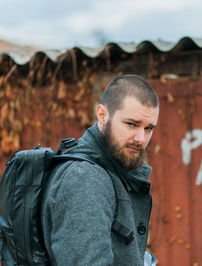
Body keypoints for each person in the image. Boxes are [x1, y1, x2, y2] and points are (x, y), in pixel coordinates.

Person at [41, 74, 160, 265]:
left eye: (148, 128)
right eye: (131, 124)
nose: (141, 138)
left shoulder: (111, 171)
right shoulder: (86, 178)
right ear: (103, 116)